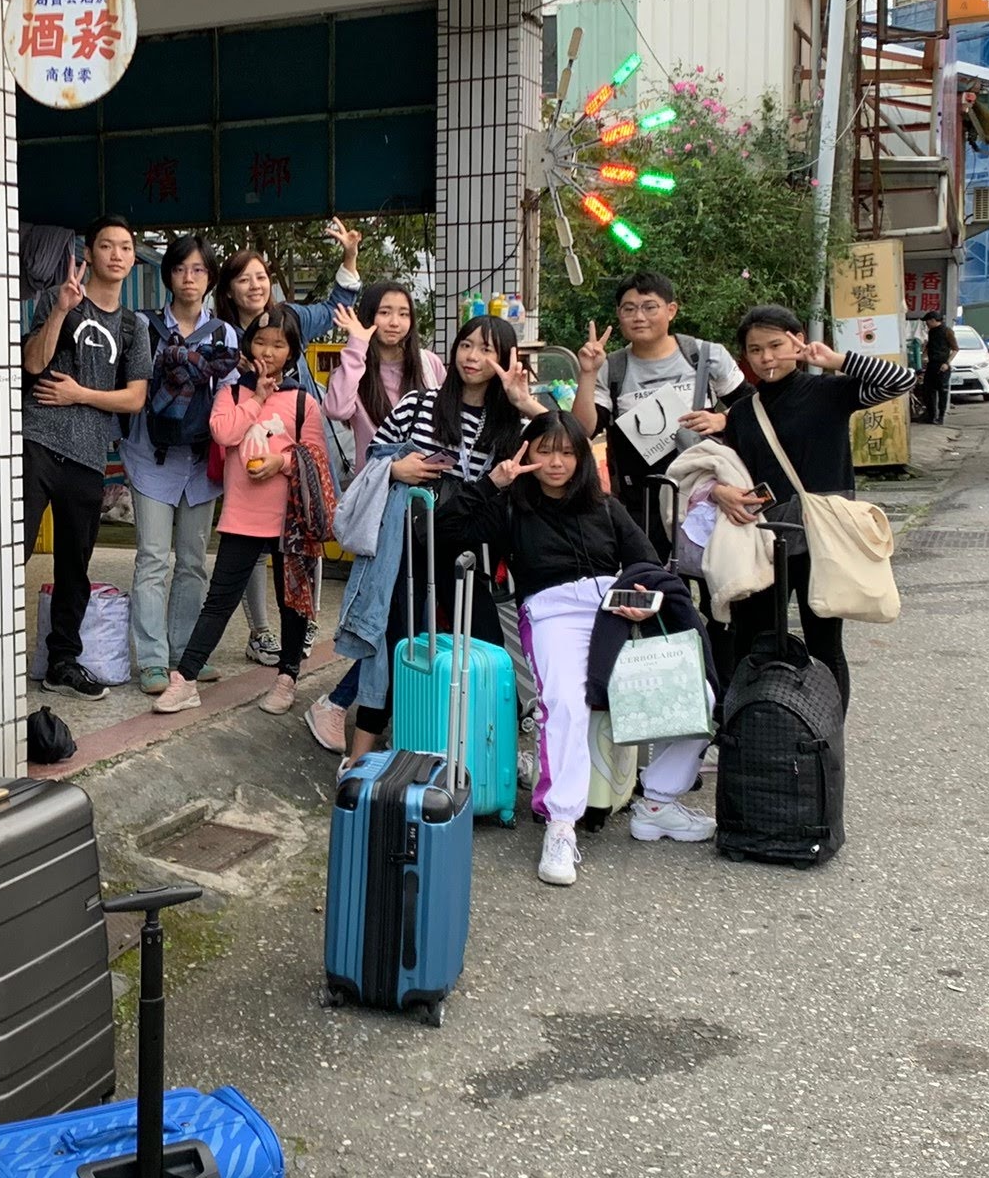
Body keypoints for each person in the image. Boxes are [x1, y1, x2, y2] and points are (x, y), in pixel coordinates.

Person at [440, 411, 715, 889]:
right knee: (566, 702)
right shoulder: (510, 509)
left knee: (700, 695)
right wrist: (492, 483)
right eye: (545, 450)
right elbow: (442, 530)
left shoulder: (606, 507)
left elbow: (648, 565)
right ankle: (561, 823)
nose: (556, 462)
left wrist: (641, 600)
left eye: (567, 452)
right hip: (551, 614)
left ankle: (657, 803)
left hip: (615, 612)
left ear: (582, 457)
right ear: (526, 452)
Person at [341, 314, 545, 770]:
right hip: (405, 546)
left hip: (465, 551)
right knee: (396, 643)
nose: (473, 357)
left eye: (487, 350)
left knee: (485, 646)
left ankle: (490, 756)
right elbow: (374, 458)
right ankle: (360, 758)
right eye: (466, 345)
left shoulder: (508, 424)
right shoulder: (420, 403)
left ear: (505, 359)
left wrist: (524, 402)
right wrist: (398, 469)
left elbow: (566, 442)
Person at [706, 305, 918, 712]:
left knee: (824, 642)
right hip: (765, 540)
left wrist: (836, 361)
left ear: (798, 341)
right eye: (755, 350)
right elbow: (732, 470)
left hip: (824, 539)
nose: (766, 358)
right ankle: (762, 726)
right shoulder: (744, 412)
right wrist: (720, 491)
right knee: (754, 641)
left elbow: (901, 380)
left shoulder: (829, 392)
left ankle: (828, 733)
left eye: (775, 346)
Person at [153, 309, 332, 716]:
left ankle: (287, 678)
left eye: (278, 345)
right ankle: (186, 679)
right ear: (248, 346)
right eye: (261, 342)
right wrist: (258, 399)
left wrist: (281, 463)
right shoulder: (231, 394)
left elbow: (316, 458)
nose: (268, 352)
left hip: (290, 521)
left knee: (292, 603)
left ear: (292, 352)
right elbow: (223, 432)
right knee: (219, 601)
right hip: (242, 517)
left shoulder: (303, 402)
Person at [213, 221, 364, 665]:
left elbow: (336, 307)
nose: (255, 285)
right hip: (246, 462)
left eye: (260, 276)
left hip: (295, 461)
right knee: (249, 551)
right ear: (229, 290)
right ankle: (260, 631)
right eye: (243, 278)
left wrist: (349, 257)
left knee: (304, 535)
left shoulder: (292, 319)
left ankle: (302, 620)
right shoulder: (221, 336)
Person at [306, 280, 443, 751]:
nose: (394, 322)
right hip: (383, 506)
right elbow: (336, 407)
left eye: (403, 313)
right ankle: (337, 703)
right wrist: (356, 344)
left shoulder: (429, 365)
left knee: (417, 617)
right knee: (382, 614)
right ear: (369, 316)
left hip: (427, 506)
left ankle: (361, 707)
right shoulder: (358, 365)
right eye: (384, 312)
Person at [23, 218, 152, 701]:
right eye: (106, 246)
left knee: (74, 567)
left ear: (133, 258)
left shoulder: (134, 327)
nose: (116, 255)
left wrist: (80, 393)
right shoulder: (59, 299)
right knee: (11, 552)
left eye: (125, 247)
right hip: (38, 442)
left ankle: (62, 662)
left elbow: (135, 398)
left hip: (88, 457)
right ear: (90, 253)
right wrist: (60, 310)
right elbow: (34, 363)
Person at [120, 234, 238, 693]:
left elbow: (229, 396)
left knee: (192, 561)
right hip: (151, 457)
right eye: (181, 269)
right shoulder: (144, 326)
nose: (189, 278)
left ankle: (183, 654)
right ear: (168, 275)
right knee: (152, 558)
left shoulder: (225, 334)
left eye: (199, 269)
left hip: (200, 462)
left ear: (210, 278)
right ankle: (152, 660)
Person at [576, 271, 745, 546]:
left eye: (649, 307)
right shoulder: (611, 368)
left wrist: (723, 419)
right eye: (629, 309)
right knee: (650, 571)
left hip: (705, 498)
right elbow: (585, 429)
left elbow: (752, 405)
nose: (639, 317)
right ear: (619, 314)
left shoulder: (705, 356)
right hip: (642, 506)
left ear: (671, 310)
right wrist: (587, 373)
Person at [919, 311, 955, 425]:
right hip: (932, 365)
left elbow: (955, 349)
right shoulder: (931, 332)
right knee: (928, 390)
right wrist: (924, 356)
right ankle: (931, 415)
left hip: (942, 365)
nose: (927, 325)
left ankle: (941, 416)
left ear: (933, 320)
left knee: (942, 392)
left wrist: (947, 363)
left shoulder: (947, 331)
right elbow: (929, 347)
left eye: (927, 322)